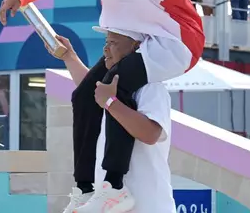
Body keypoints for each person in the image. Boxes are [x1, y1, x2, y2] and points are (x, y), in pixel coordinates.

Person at [0, 0, 204, 212]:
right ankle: (84, 188)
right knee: (83, 95)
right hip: (135, 39)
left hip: (174, 38)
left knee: (115, 88)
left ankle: (114, 186)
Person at [48, 31, 174, 213]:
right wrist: (69, 56)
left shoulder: (151, 87)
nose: (105, 49)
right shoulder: (113, 91)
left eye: (113, 42)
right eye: (106, 42)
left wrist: (111, 103)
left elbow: (150, 133)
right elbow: (90, 92)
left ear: (136, 47)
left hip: (147, 205)